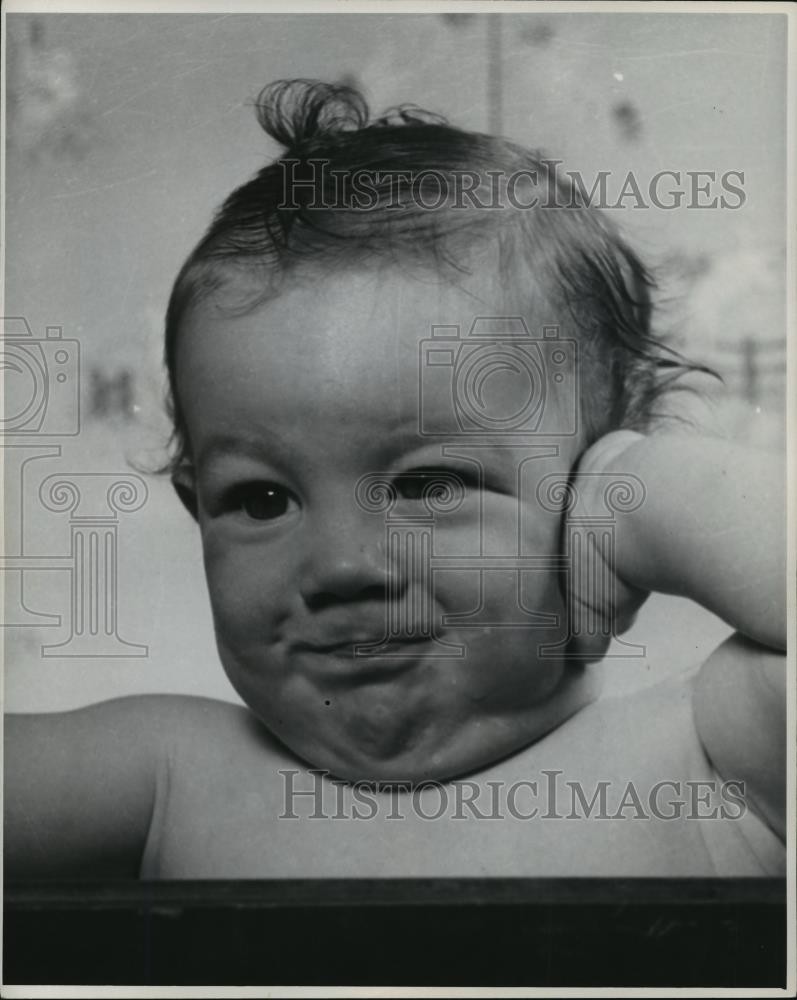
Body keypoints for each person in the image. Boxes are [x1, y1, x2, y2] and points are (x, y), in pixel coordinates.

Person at [5, 80, 786, 879]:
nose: (341, 566)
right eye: (261, 499)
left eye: (430, 485)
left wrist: (644, 488)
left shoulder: (708, 762)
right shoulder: (169, 775)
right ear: (195, 507)